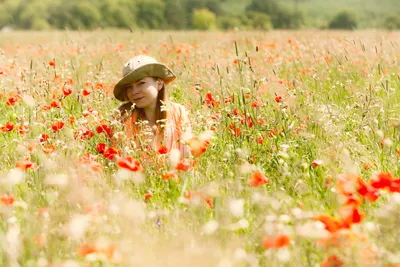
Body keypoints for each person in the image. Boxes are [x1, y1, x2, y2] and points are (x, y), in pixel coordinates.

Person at [113, 55, 192, 158]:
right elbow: (119, 162)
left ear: (159, 84)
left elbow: (188, 157)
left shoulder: (179, 112)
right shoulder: (123, 118)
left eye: (141, 83)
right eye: (129, 87)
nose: (134, 91)